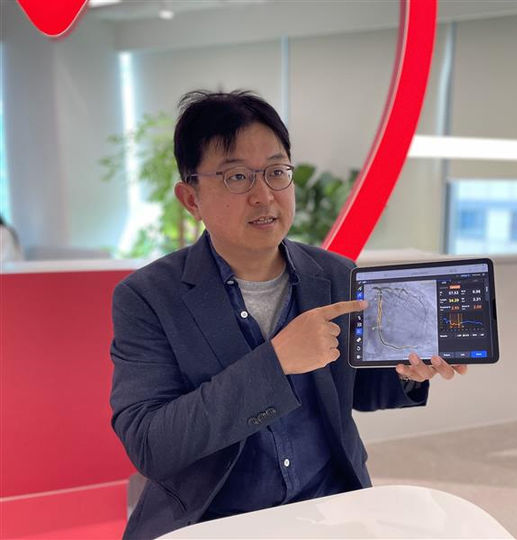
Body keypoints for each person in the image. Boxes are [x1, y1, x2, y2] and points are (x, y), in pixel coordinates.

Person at [110, 90, 467, 539]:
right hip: (214, 521)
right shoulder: (148, 297)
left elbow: (358, 387)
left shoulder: (336, 274)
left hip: (330, 510)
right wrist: (276, 362)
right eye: (237, 177)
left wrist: (409, 372)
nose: (264, 196)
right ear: (191, 199)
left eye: (277, 172)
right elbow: (150, 443)